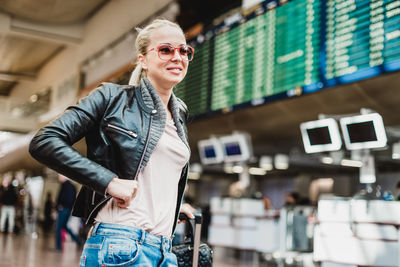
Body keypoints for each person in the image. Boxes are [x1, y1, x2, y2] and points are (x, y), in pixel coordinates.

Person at [29, 19, 194, 266]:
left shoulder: (179, 112)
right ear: (143, 60)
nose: (177, 57)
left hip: (164, 250)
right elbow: (45, 141)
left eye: (184, 51)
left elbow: (151, 172)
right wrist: (108, 182)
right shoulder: (111, 98)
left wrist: (171, 205)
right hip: (122, 245)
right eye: (165, 49)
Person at [55, 174, 81, 251]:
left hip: (64, 209)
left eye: (60, 176)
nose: (58, 177)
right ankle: (78, 240)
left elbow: (67, 198)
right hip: (68, 209)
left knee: (59, 228)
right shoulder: (71, 186)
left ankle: (58, 247)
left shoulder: (66, 185)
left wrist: (61, 205)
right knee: (64, 226)